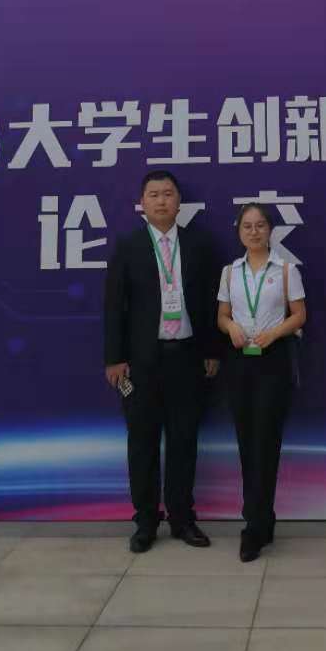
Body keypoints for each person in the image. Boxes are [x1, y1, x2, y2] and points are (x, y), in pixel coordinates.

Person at [103, 170, 221, 553]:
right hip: (141, 363)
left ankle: (182, 519)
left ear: (179, 201)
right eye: (153, 194)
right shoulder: (128, 246)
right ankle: (145, 521)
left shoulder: (199, 245)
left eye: (168, 194)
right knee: (142, 443)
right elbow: (114, 307)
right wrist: (114, 358)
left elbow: (210, 302)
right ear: (142, 202)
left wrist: (211, 350)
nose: (161, 201)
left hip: (187, 358)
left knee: (184, 441)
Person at [217, 201, 306, 561]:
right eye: (247, 226)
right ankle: (260, 520)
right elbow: (222, 315)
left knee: (266, 444)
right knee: (246, 442)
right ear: (239, 232)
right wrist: (231, 327)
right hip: (240, 362)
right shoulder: (230, 272)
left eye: (260, 225)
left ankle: (254, 527)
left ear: (270, 230)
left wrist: (274, 333)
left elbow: (300, 315)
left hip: (273, 362)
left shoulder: (285, 270)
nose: (254, 232)